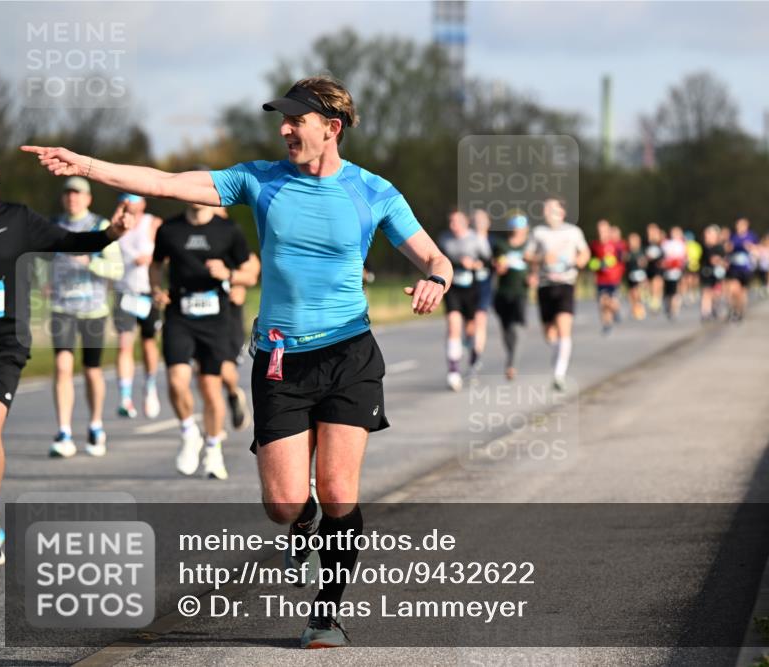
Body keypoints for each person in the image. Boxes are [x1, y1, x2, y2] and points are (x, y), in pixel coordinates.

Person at [23, 74, 452, 648]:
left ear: (332, 128)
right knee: (282, 503)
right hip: (280, 358)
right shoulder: (259, 179)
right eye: (283, 119)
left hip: (350, 353)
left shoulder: (374, 192)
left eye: (296, 120)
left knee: (339, 489)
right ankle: (302, 523)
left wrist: (438, 280)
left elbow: (430, 254)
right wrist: (86, 165)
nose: (284, 129)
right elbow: (165, 182)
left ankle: (326, 614)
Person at [0, 155, 134, 565]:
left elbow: (71, 242)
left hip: (2, 345)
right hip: (56, 312)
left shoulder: (15, 218)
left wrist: (110, 233)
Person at [150, 195, 255, 480]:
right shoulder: (169, 229)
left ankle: (213, 449)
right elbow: (156, 264)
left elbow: (251, 272)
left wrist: (229, 274)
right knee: (176, 381)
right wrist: (156, 289)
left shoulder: (228, 230)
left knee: (210, 386)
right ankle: (189, 432)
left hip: (216, 318)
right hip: (179, 314)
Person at [47, 176, 124, 458]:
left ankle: (95, 425)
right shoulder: (53, 225)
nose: (72, 198)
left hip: (93, 309)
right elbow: (42, 260)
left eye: (78, 194)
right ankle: (64, 431)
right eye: (68, 194)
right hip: (62, 308)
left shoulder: (100, 226)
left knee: (92, 370)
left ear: (88, 198)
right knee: (63, 366)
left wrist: (91, 262)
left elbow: (116, 269)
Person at [525, 198, 589, 391]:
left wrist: (578, 261)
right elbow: (527, 255)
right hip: (545, 285)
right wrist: (542, 258)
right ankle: (559, 354)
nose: (547, 213)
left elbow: (585, 253)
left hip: (566, 283)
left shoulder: (573, 232)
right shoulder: (539, 232)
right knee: (549, 333)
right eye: (545, 210)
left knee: (563, 328)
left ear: (562, 213)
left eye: (552, 209)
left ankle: (559, 374)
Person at [112, 193, 162, 419]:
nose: (131, 204)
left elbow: (167, 255)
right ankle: (125, 396)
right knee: (124, 344)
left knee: (149, 343)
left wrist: (149, 259)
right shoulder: (115, 223)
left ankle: (149, 386)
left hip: (147, 292)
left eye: (135, 198)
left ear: (144, 202)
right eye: (127, 199)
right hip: (124, 292)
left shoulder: (153, 223)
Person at [438, 209, 490, 391]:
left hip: (473, 288)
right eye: (451, 222)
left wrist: (474, 264)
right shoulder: (444, 239)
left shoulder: (476, 239)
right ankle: (453, 372)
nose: (454, 226)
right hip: (453, 289)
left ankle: (474, 359)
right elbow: (438, 261)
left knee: (471, 330)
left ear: (466, 223)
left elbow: (488, 262)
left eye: (457, 222)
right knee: (453, 325)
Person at [220, 250, 260, 432]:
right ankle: (208, 431)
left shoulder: (230, 234)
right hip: (193, 318)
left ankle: (233, 392)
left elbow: (253, 265)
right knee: (203, 374)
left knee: (222, 370)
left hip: (227, 314)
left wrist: (239, 282)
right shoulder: (184, 232)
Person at [492, 213, 531, 380]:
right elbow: (495, 264)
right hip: (503, 292)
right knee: (506, 329)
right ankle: (510, 357)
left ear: (526, 229)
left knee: (518, 327)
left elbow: (536, 264)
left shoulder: (530, 246)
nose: (517, 231)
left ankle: (512, 363)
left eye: (520, 227)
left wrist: (534, 276)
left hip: (521, 292)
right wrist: (499, 267)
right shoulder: (501, 245)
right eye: (514, 227)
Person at [588, 219, 625, 334]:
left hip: (613, 279)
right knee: (602, 302)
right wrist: (596, 265)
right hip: (601, 279)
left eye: (604, 231)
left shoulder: (615, 245)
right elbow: (591, 261)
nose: (601, 233)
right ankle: (607, 323)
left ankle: (616, 311)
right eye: (599, 231)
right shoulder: (594, 245)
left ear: (608, 231)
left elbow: (621, 261)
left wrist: (612, 264)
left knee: (611, 302)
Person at [471, 209, 493, 374]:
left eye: (482, 219)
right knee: (468, 327)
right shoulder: (466, 239)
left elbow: (498, 261)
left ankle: (477, 355)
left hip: (485, 285)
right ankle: (470, 345)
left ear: (488, 222)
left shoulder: (493, 242)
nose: (479, 222)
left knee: (480, 319)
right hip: (466, 287)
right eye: (476, 219)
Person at [725, 217, 758, 322]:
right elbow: (727, 249)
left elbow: (757, 249)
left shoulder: (751, 236)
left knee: (742, 292)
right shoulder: (733, 236)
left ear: (746, 226)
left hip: (746, 268)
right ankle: (733, 309)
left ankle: (740, 310)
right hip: (734, 268)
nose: (739, 227)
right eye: (738, 225)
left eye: (742, 225)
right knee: (733, 289)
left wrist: (751, 248)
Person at [660, 226, 688, 320]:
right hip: (667, 271)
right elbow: (662, 256)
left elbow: (684, 257)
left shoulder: (682, 244)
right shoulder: (666, 243)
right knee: (668, 291)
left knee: (675, 291)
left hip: (677, 270)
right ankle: (668, 306)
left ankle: (674, 309)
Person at [699, 225, 726, 321]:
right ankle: (705, 312)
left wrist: (719, 261)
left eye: (710, 234)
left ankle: (715, 307)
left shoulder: (719, 247)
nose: (708, 236)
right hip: (706, 272)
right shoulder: (702, 246)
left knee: (716, 293)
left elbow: (723, 260)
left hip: (717, 273)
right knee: (706, 292)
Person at [623, 232, 648, 321]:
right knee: (631, 293)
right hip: (630, 275)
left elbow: (645, 262)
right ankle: (635, 309)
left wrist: (642, 262)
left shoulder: (641, 251)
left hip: (640, 275)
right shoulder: (628, 252)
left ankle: (640, 309)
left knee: (637, 292)